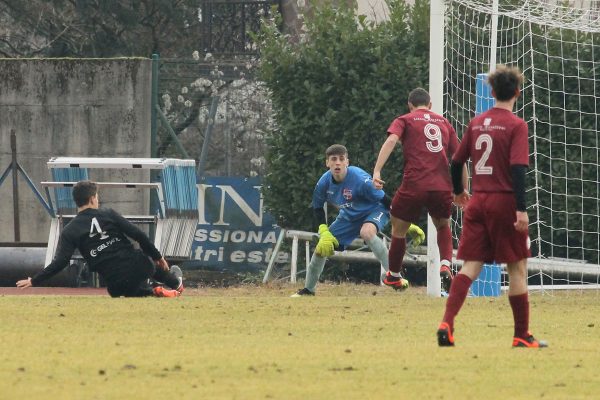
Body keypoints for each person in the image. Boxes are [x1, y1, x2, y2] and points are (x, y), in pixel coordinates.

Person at [437, 65, 547, 348]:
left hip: (478, 202)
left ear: (493, 91)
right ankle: (522, 335)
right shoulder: (516, 125)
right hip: (504, 202)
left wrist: (460, 191)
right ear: (518, 93)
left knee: (469, 267)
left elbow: (456, 162)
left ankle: (447, 323)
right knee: (517, 268)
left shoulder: (476, 123)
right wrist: (521, 210)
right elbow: (519, 169)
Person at [291, 144, 425, 297]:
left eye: (341, 159)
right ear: (327, 163)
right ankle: (308, 290)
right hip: (349, 216)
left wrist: (405, 224)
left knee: (366, 232)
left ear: (347, 162)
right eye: (333, 159)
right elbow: (317, 208)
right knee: (321, 248)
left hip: (375, 209)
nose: (338, 163)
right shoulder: (323, 183)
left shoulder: (360, 179)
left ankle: (394, 276)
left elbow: (387, 201)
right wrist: (324, 232)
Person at [16, 180, 184, 298]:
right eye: (97, 196)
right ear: (92, 199)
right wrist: (157, 257)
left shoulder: (69, 230)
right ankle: (175, 283)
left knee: (121, 290)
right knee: (148, 263)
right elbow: (139, 235)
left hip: (114, 283)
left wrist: (35, 280)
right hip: (140, 266)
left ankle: (152, 290)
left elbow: (60, 262)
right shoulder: (108, 214)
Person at [373, 87, 466, 292]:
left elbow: (390, 140)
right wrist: (461, 190)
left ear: (410, 105)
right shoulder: (444, 122)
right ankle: (446, 265)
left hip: (414, 184)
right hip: (441, 186)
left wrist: (377, 171)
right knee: (443, 226)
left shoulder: (405, 119)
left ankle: (395, 275)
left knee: (399, 229)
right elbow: (459, 159)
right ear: (430, 105)